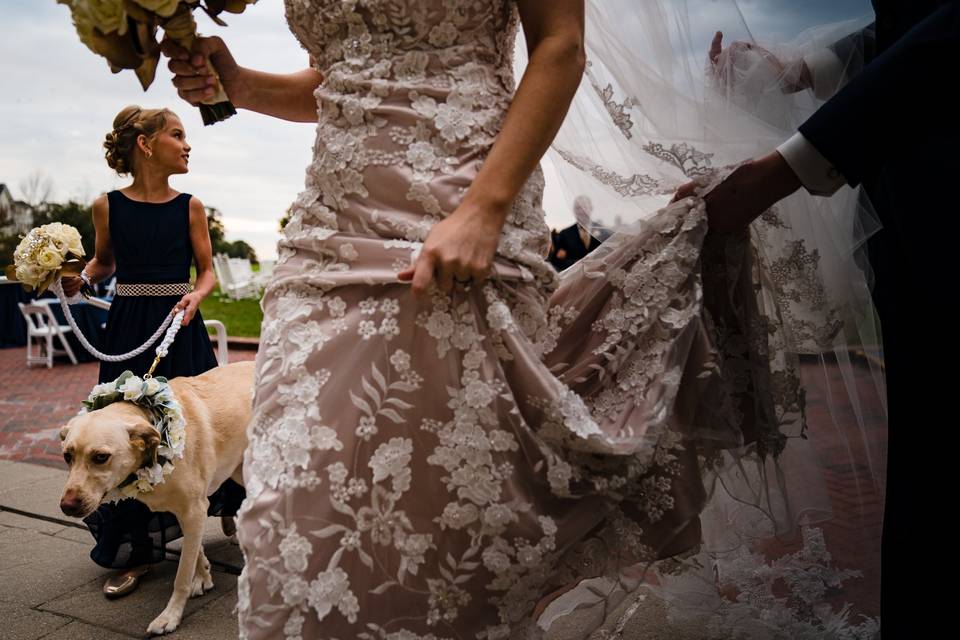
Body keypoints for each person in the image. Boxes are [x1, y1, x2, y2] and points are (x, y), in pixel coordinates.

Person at [161, 1, 883, 637]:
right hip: (326, 227)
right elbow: (346, 78)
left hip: (462, 198)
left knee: (442, 514)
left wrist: (484, 207)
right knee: (289, 504)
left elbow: (560, 45)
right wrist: (243, 84)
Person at [60, 105, 244, 598]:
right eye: (178, 135)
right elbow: (103, 262)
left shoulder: (190, 206)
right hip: (127, 330)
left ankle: (211, 525)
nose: (188, 145)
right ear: (145, 143)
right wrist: (81, 278)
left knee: (196, 432)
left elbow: (205, 271)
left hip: (179, 325)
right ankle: (136, 551)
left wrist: (197, 295)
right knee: (118, 435)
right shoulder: (107, 206)